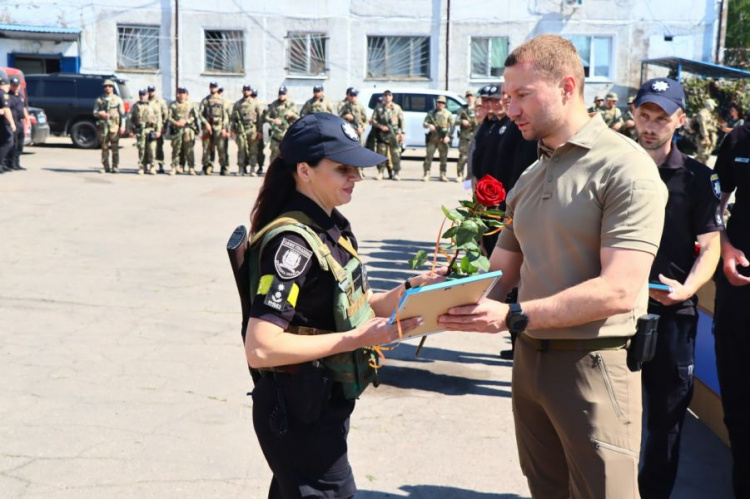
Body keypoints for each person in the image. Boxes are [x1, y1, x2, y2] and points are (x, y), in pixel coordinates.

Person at [437, 34, 668, 498]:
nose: (511, 108)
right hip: (530, 362)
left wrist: (514, 316)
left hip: (594, 363)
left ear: (567, 87)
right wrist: (440, 298)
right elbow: (503, 271)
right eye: (507, 97)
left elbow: (620, 289)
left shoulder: (624, 168)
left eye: (523, 95)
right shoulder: (531, 174)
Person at [244, 112, 443, 498]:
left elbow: (355, 302)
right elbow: (261, 347)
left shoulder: (328, 225)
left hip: (320, 400)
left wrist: (410, 290)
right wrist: (354, 340)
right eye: (343, 168)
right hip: (297, 409)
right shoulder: (294, 243)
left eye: (356, 168)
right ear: (304, 170)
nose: (356, 177)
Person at [633, 77, 723, 499]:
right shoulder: (615, 166)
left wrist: (686, 291)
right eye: (644, 115)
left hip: (671, 317)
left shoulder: (699, 178)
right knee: (605, 416)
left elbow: (710, 246)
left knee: (666, 420)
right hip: (614, 311)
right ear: (633, 114)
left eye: (661, 118)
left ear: (680, 120)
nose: (650, 126)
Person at [713, 118, 750, 499]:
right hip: (740, 289)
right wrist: (724, 246)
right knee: (738, 401)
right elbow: (714, 205)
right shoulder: (738, 138)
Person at [370, 90, 404, 181]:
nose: (387, 97)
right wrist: (381, 126)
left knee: (395, 154)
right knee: (381, 153)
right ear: (383, 97)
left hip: (394, 134)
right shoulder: (378, 108)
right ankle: (380, 172)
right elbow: (373, 121)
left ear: (392, 97)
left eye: (389, 95)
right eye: (385, 95)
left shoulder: (397, 108)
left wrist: (402, 133)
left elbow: (402, 121)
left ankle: (396, 173)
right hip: (382, 134)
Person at [93, 79, 126, 173]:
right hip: (103, 128)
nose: (107, 88)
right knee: (104, 148)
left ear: (112, 88)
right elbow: (94, 112)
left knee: (115, 148)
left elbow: (123, 114)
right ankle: (105, 166)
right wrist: (100, 113)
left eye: (109, 86)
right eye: (105, 86)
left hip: (114, 127)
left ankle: (115, 166)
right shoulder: (99, 99)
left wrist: (122, 126)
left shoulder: (117, 99)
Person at [422, 96, 456, 182]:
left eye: (442, 103)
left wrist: (448, 136)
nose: (440, 104)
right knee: (428, 157)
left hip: (443, 139)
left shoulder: (448, 113)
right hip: (432, 139)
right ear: (436, 103)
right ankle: (426, 173)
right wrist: (429, 125)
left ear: (445, 104)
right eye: (439, 102)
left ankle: (443, 174)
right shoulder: (431, 113)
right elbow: (424, 123)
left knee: (443, 158)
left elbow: (452, 126)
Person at [232, 84, 264, 176]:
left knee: (253, 150)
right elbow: (233, 118)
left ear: (250, 92)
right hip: (241, 130)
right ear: (242, 91)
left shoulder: (255, 103)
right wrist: (233, 130)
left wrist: (260, 131)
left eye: (248, 90)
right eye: (244, 90)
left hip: (252, 129)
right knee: (241, 149)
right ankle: (241, 168)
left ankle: (252, 169)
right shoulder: (238, 104)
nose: (246, 92)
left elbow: (260, 118)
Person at [168, 87, 200, 175]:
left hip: (187, 129)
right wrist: (176, 123)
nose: (181, 95)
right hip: (177, 129)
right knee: (176, 149)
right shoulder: (173, 105)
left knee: (189, 149)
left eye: (183, 93)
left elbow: (194, 116)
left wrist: (186, 121)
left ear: (187, 95)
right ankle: (174, 167)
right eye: (179, 93)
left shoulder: (191, 105)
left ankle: (191, 167)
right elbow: (169, 117)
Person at [199, 81, 228, 175]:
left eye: (214, 87)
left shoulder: (222, 100)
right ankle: (205, 166)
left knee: (221, 147)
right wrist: (206, 123)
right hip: (208, 128)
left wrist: (224, 128)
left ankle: (223, 167)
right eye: (211, 87)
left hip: (219, 126)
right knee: (206, 148)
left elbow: (225, 116)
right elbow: (200, 114)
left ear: (217, 88)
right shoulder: (205, 100)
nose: (213, 89)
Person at [338, 87, 368, 178]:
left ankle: (361, 170)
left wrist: (362, 129)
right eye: (352, 95)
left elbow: (365, 120)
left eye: (355, 95)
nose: (354, 97)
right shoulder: (344, 106)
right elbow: (338, 118)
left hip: (358, 132)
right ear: (348, 96)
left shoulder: (360, 106)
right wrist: (345, 116)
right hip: (348, 132)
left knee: (360, 151)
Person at [130, 89, 161, 175]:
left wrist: (158, 130)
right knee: (141, 149)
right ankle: (142, 166)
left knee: (151, 149)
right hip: (140, 130)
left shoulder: (153, 105)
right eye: (140, 94)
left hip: (150, 129)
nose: (142, 96)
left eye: (144, 94)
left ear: (147, 95)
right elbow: (131, 118)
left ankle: (152, 166)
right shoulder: (135, 106)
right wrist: (130, 130)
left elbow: (158, 118)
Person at [266, 86, 298, 164]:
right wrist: (273, 120)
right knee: (274, 155)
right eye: (280, 94)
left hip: (287, 134)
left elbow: (298, 118)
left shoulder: (292, 105)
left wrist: (292, 114)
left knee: (288, 155)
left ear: (286, 94)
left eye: (283, 94)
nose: (281, 95)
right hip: (276, 134)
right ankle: (273, 173)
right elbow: (266, 117)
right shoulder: (274, 104)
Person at [5, 76, 28, 171]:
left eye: (17, 85)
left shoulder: (20, 96)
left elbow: (23, 108)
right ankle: (9, 163)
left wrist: (28, 119)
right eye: (13, 85)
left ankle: (16, 162)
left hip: (20, 122)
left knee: (20, 144)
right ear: (10, 86)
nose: (15, 87)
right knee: (13, 144)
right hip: (12, 123)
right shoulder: (8, 96)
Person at [455, 89, 478, 181]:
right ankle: (460, 174)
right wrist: (462, 121)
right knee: (463, 156)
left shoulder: (478, 108)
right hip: (464, 136)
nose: (470, 98)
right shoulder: (462, 109)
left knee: (474, 157)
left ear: (475, 97)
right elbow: (454, 121)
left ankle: (471, 176)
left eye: (471, 96)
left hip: (475, 136)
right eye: (468, 96)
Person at [147, 85, 169, 173]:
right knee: (147, 147)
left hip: (158, 127)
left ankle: (160, 165)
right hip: (148, 128)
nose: (151, 92)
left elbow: (165, 115)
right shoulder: (145, 101)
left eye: (152, 91)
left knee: (159, 147)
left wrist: (164, 127)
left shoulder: (160, 102)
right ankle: (148, 165)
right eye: (149, 91)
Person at [693, 99, 718, 164]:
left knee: (705, 156)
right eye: (713, 105)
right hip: (704, 137)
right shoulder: (702, 114)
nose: (714, 107)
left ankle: (695, 167)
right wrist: (706, 137)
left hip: (710, 136)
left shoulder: (709, 114)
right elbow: (702, 125)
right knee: (702, 155)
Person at [0, 77, 16, 174]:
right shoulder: (3, 95)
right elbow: (6, 110)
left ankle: (2, 164)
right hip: (4, 123)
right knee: (8, 142)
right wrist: (12, 123)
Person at [252, 87, 267, 173]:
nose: (253, 97)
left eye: (255, 96)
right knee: (250, 150)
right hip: (251, 130)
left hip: (259, 131)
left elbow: (262, 120)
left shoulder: (259, 106)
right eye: (252, 96)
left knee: (260, 150)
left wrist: (261, 132)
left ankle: (260, 166)